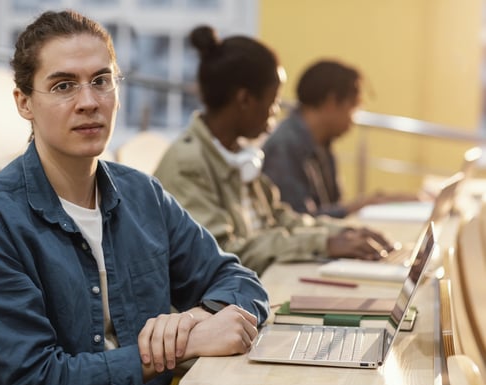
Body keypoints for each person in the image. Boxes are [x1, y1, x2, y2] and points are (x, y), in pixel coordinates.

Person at [0, 10, 269, 385]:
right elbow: (36, 382)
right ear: (24, 103)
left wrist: (194, 318)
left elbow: (242, 283)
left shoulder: (144, 195)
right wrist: (184, 345)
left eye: (101, 81)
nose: (89, 101)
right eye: (63, 86)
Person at [154, 26, 394, 276]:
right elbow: (222, 252)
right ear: (245, 100)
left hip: (254, 285)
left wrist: (342, 233)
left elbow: (279, 219)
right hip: (214, 305)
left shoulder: (238, 153)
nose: (276, 111)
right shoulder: (188, 164)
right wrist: (323, 244)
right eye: (274, 100)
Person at [262, 59, 417, 218]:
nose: (354, 118)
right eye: (354, 106)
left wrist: (378, 201)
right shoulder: (284, 146)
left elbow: (331, 207)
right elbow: (299, 220)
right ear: (331, 101)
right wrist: (362, 205)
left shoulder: (321, 142)